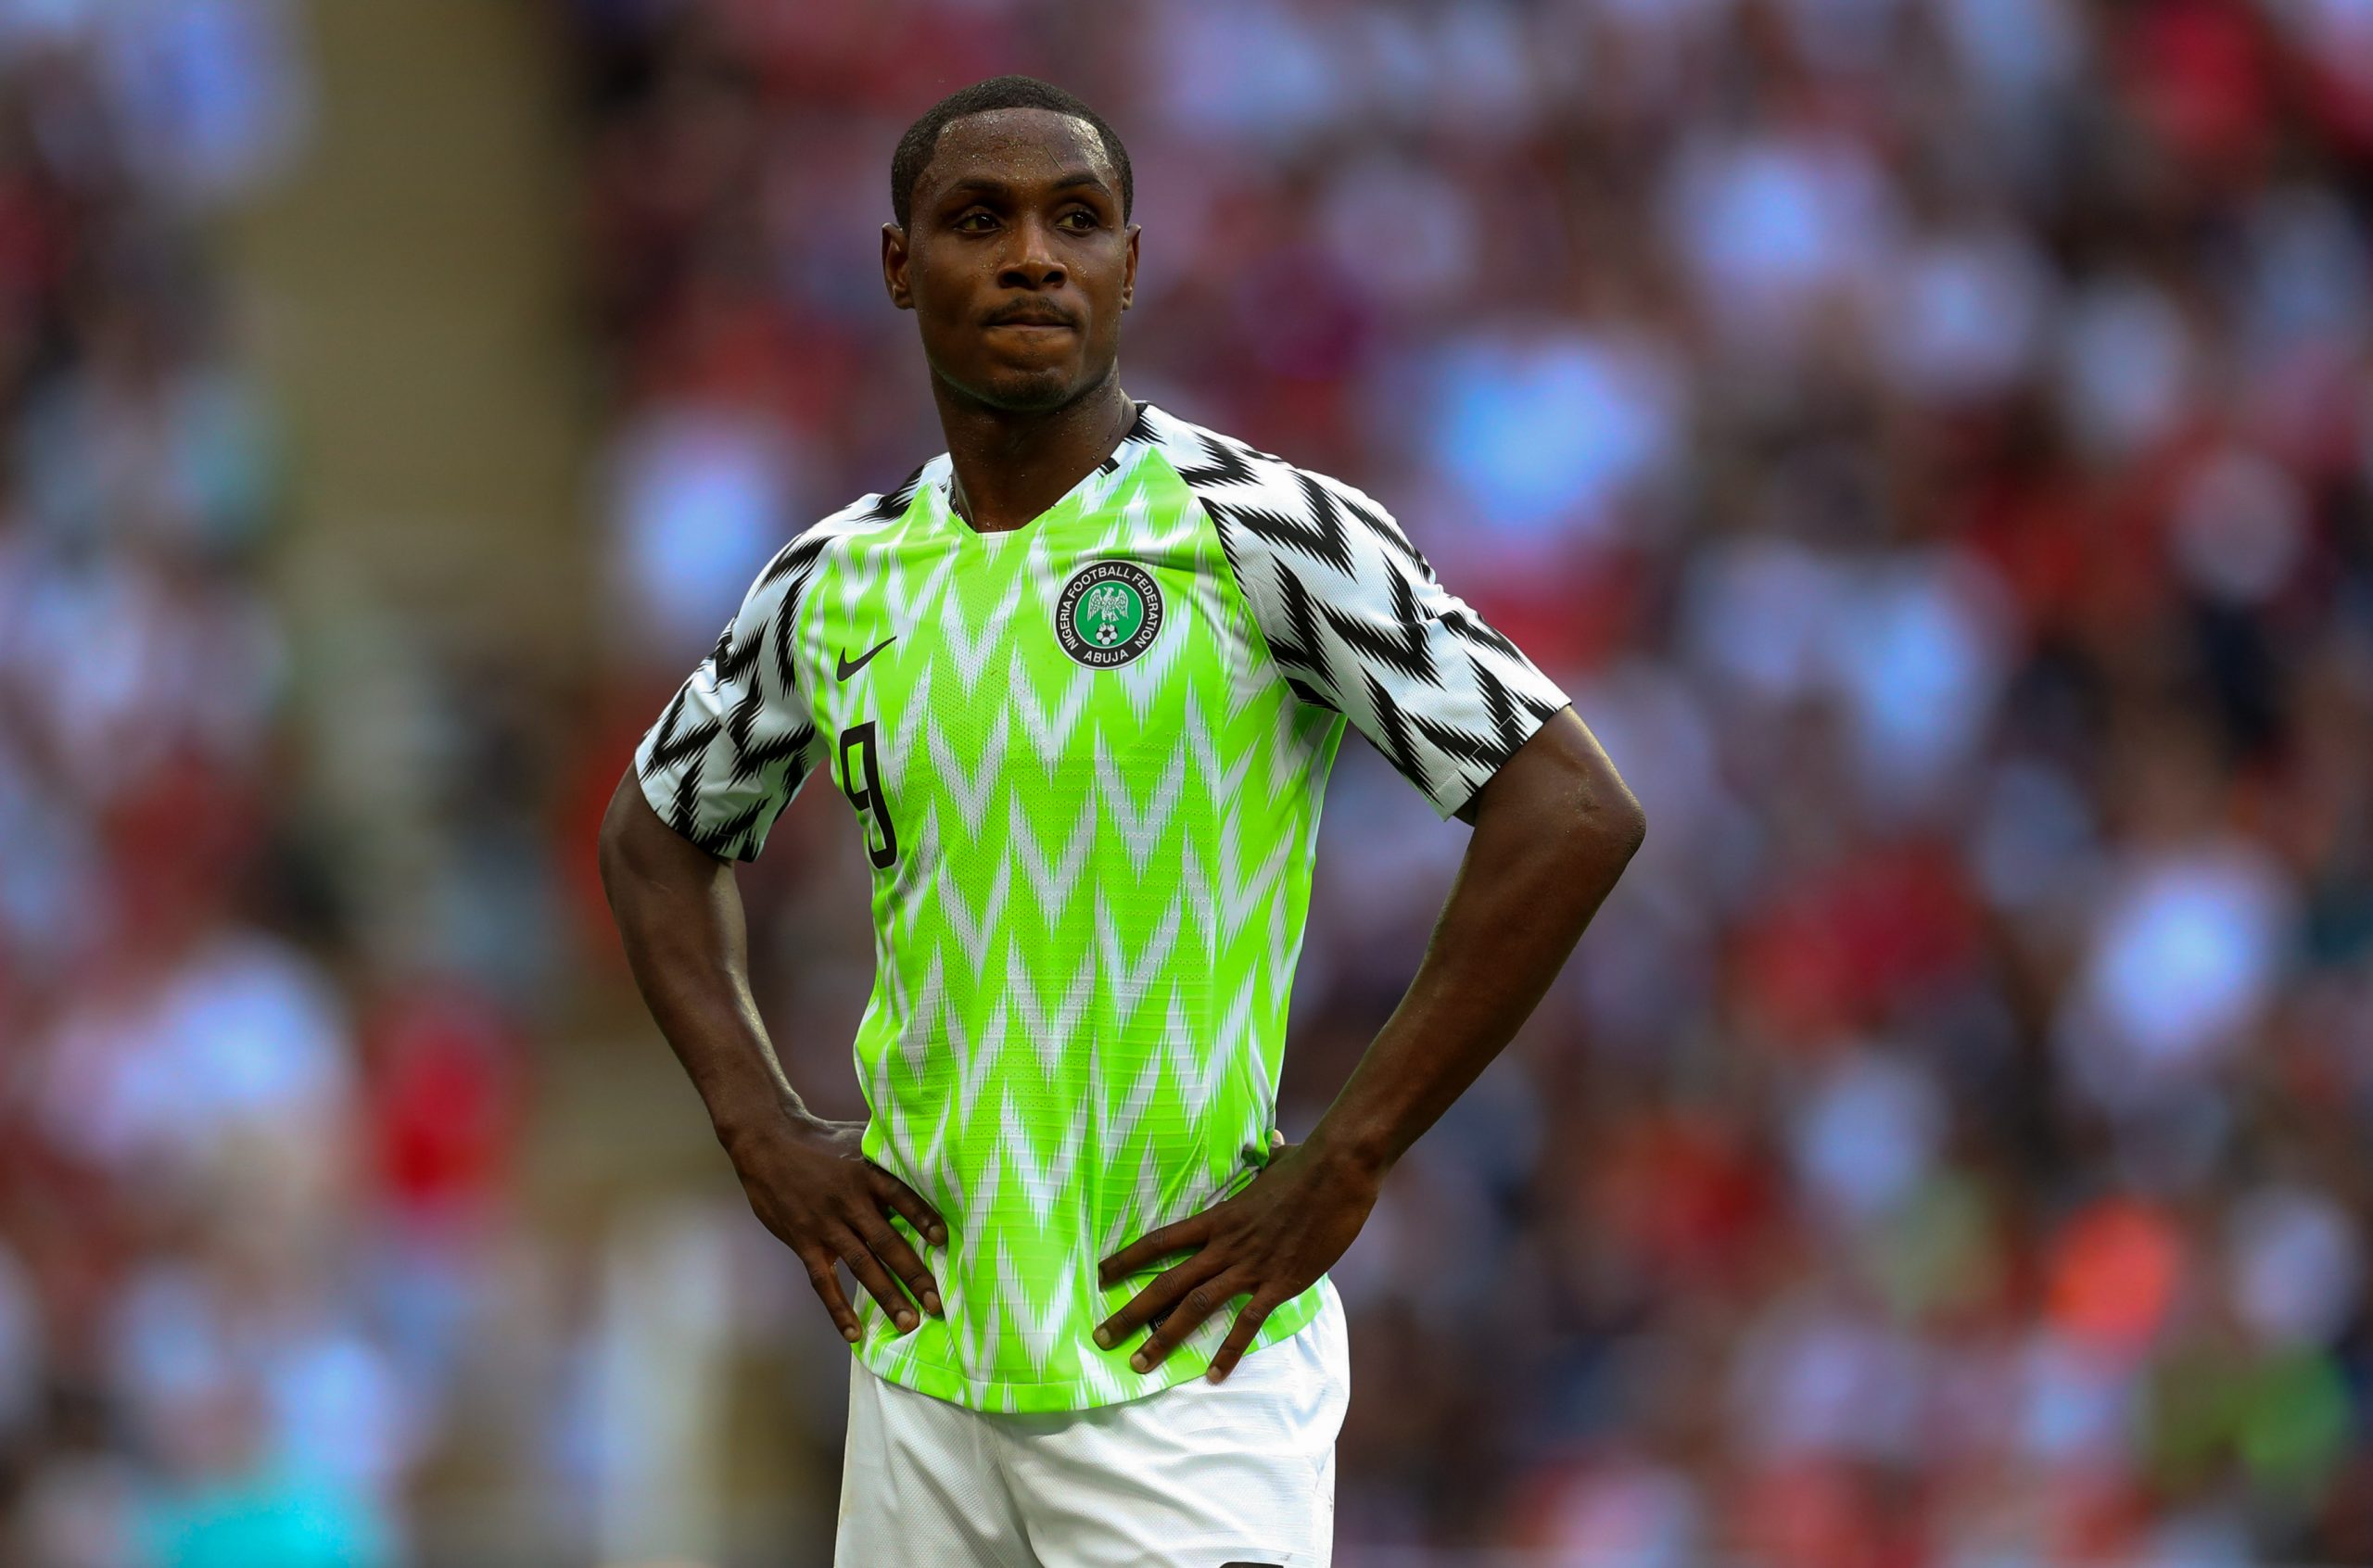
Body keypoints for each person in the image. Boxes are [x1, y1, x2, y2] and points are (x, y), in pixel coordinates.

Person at [595, 73, 1645, 1567]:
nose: (1033, 255)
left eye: (1075, 220)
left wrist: (1346, 1156)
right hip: (923, 1366)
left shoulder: (1263, 531)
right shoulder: (836, 581)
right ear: (900, 266)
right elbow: (654, 839)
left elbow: (1570, 808)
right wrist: (757, 1124)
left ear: (1130, 265)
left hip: (1182, 1365)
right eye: (979, 220)